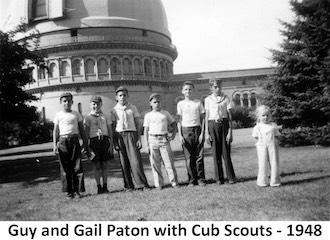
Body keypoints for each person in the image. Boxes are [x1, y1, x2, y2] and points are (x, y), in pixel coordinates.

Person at [111, 86, 149, 191]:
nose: (122, 97)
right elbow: (113, 127)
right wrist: (115, 142)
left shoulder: (132, 108)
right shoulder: (114, 110)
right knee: (124, 162)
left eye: (124, 95)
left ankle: (142, 184)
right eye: (120, 95)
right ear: (116, 97)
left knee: (135, 161)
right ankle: (128, 185)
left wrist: (138, 139)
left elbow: (138, 123)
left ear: (128, 96)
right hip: (119, 135)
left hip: (131, 134)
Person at [53, 92, 88, 199]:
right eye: (64, 101)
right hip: (63, 141)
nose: (67, 103)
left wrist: (85, 144)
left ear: (72, 102)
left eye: (69, 101)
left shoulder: (76, 114)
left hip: (74, 141)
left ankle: (77, 190)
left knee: (77, 166)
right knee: (65, 167)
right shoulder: (58, 115)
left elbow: (82, 129)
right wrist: (55, 145)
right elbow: (55, 131)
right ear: (61, 102)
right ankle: (69, 191)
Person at [144, 93, 179, 190]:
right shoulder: (148, 115)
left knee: (168, 163)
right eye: (155, 102)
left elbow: (174, 124)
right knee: (155, 164)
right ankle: (159, 184)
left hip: (164, 139)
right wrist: (146, 145)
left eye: (159, 102)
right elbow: (146, 130)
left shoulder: (165, 113)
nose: (157, 104)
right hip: (153, 140)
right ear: (150, 103)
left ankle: (174, 182)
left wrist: (173, 136)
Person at [204, 78, 237, 184]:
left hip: (224, 125)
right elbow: (207, 116)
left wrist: (230, 132)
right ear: (211, 88)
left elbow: (230, 116)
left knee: (226, 153)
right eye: (215, 87)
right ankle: (219, 178)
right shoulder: (208, 99)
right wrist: (206, 133)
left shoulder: (226, 98)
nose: (217, 89)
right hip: (212, 125)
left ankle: (231, 177)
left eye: (219, 86)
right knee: (216, 153)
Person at [177, 81, 206, 187]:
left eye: (190, 89)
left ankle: (201, 179)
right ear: (182, 91)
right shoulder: (180, 104)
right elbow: (179, 121)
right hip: (185, 131)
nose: (188, 91)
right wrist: (180, 135)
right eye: (186, 89)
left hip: (197, 130)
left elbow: (203, 119)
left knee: (199, 156)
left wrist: (202, 133)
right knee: (189, 157)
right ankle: (192, 180)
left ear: (193, 91)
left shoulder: (198, 103)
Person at [84, 95, 114, 194]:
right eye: (93, 104)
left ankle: (105, 186)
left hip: (104, 141)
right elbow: (86, 132)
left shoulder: (106, 116)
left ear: (101, 104)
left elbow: (110, 130)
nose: (96, 106)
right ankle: (98, 186)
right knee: (96, 165)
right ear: (90, 105)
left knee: (104, 165)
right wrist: (87, 146)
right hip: (94, 141)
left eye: (98, 104)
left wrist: (111, 144)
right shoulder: (88, 117)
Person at [252, 105, 281, 187]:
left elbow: (277, 135)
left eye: (267, 115)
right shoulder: (258, 127)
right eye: (263, 115)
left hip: (272, 146)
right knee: (262, 164)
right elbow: (256, 136)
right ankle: (262, 182)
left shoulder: (273, 125)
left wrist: (274, 142)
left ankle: (275, 181)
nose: (265, 117)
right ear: (259, 117)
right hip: (261, 147)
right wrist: (261, 143)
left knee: (274, 162)